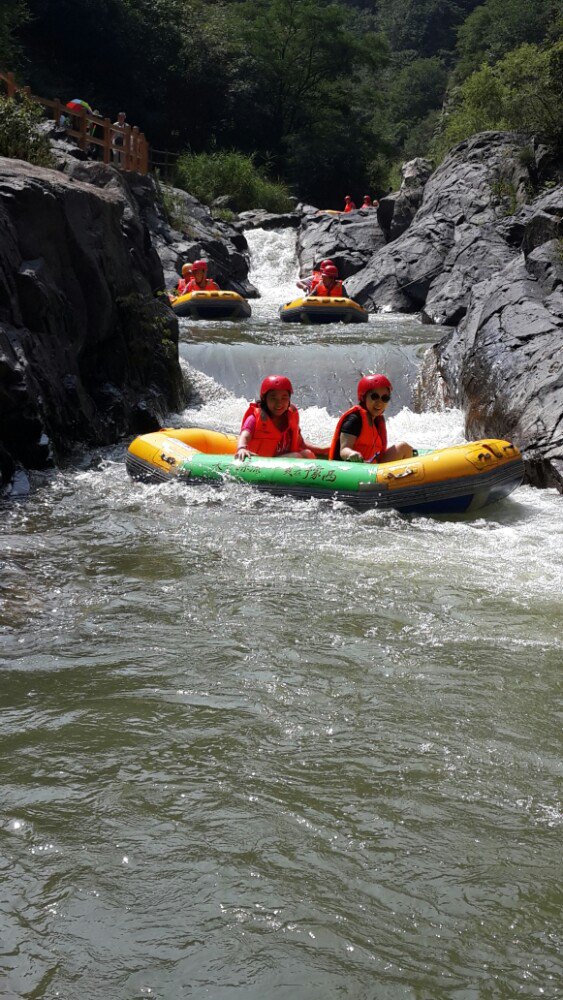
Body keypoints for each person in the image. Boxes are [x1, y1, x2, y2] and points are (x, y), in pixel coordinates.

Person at [329, 374, 415, 464]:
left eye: (385, 398)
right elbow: (344, 450)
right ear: (363, 397)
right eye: (374, 397)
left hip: (371, 468)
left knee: (403, 447)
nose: (379, 402)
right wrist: (351, 454)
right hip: (350, 470)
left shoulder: (377, 421)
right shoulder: (354, 420)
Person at [235, 376, 317, 461]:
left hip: (282, 459)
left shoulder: (291, 417)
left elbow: (301, 444)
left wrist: (325, 450)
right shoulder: (254, 418)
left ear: (289, 400)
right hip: (260, 462)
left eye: (284, 398)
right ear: (264, 399)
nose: (279, 403)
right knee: (296, 456)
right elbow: (244, 435)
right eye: (273, 398)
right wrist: (241, 448)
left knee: (308, 453)